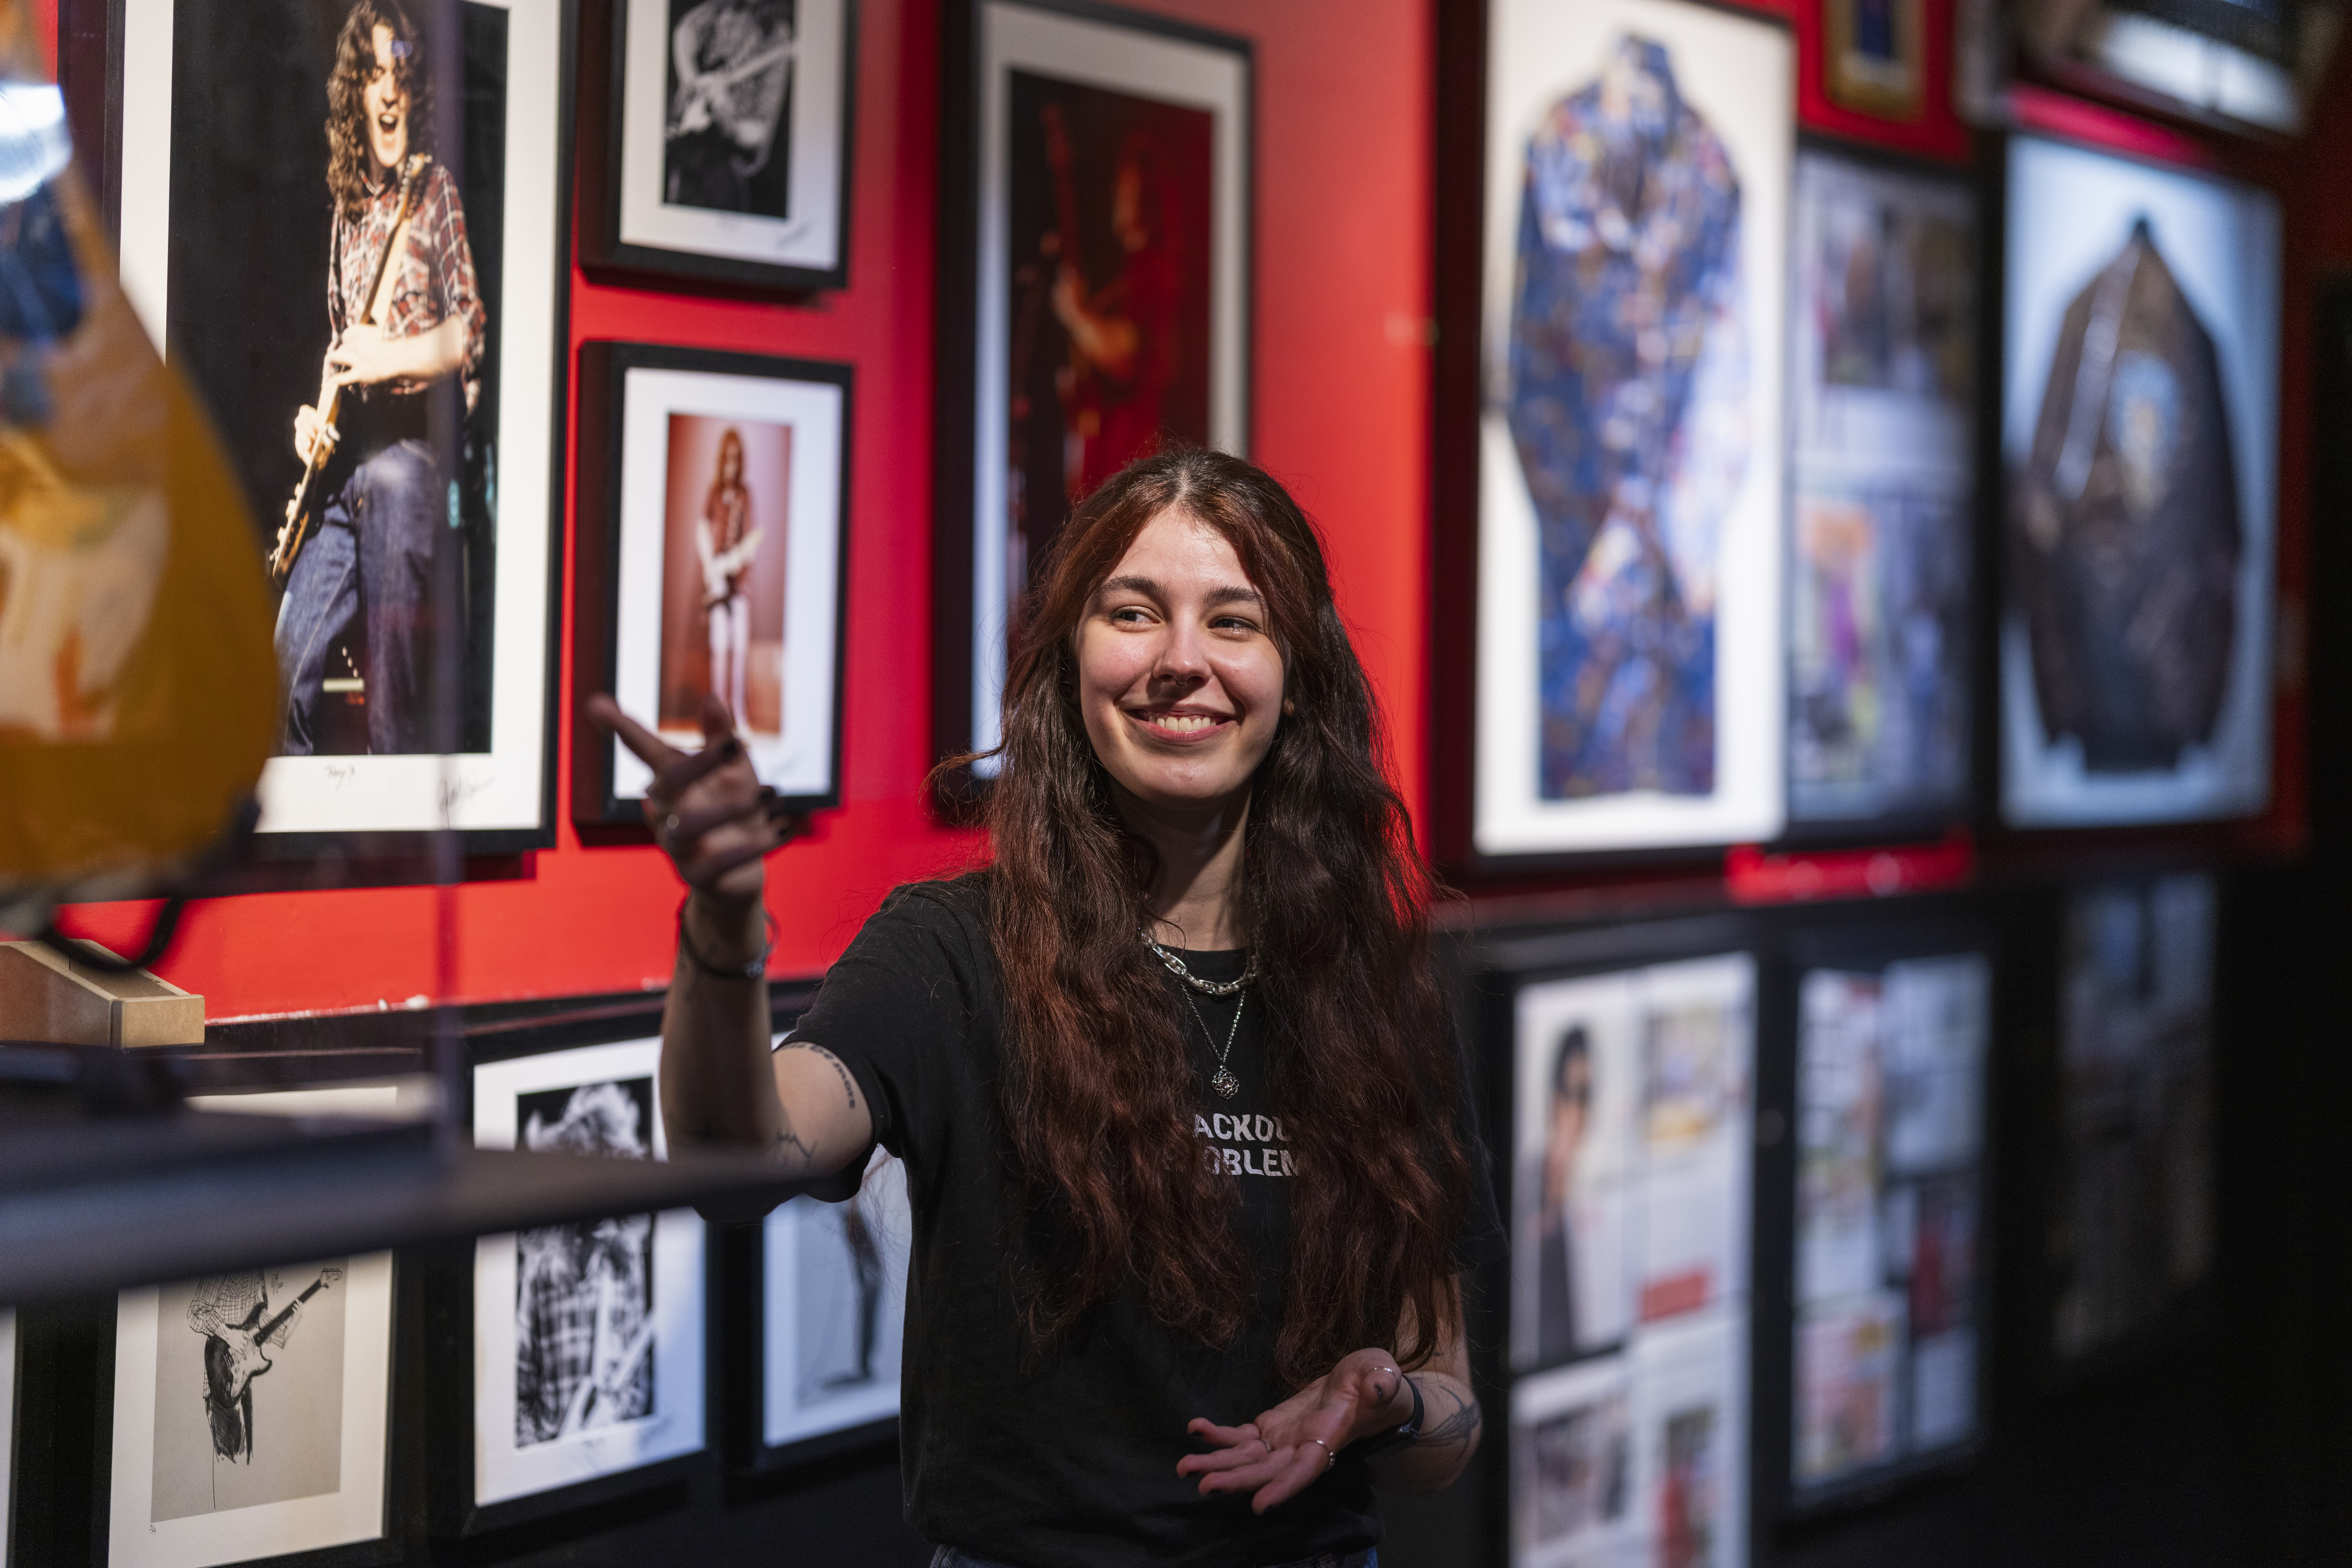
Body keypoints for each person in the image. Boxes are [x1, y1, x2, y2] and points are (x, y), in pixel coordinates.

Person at [588, 448, 1502, 1567]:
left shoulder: (1372, 986)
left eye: (1232, 621)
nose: (1179, 661)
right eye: (1133, 612)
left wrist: (1390, 1400)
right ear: (1068, 657)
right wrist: (723, 931)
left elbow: (1444, 1420)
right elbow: (737, 1157)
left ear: (1295, 672)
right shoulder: (954, 947)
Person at [274, 0, 487, 756]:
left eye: (400, 76)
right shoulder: (347, 214)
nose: (389, 94)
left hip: (409, 463)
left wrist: (386, 356)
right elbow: (344, 347)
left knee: (393, 713)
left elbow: (469, 332)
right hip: (348, 468)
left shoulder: (436, 193)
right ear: (355, 96)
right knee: (282, 673)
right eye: (373, 77)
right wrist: (315, 415)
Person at [665, 0, 796, 213]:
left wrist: (726, 115)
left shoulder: (780, 38)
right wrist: (691, 82)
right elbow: (686, 31)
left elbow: (760, 132)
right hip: (688, 146)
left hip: (726, 162)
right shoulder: (724, 8)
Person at [1535, 1026, 1592, 1367]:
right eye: (1571, 1093)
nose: (1577, 1113)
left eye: (1586, 1095)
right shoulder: (1529, 1199)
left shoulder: (1585, 1198)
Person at [696, 427, 761, 725]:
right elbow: (701, 530)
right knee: (720, 650)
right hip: (717, 583)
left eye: (737, 459)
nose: (732, 465)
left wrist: (740, 560)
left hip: (740, 584)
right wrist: (712, 569)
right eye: (729, 458)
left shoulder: (746, 495)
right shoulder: (713, 492)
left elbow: (751, 542)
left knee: (741, 649)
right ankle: (719, 716)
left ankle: (740, 713)